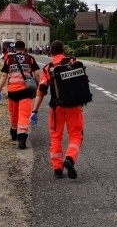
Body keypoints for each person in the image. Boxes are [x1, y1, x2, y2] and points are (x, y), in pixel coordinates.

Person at [30, 40, 84, 179]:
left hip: (57, 108)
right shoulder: (73, 61)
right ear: (63, 50)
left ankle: (57, 169)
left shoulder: (48, 68)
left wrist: (34, 110)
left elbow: (41, 90)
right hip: (74, 106)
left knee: (56, 137)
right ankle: (70, 158)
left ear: (51, 52)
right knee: (76, 135)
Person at [0, 40, 40, 149]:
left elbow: (4, 76)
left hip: (12, 92)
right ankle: (22, 139)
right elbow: (37, 74)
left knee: (13, 113)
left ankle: (14, 131)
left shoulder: (9, 59)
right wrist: (38, 87)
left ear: (15, 49)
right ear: (24, 48)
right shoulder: (30, 59)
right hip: (26, 91)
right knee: (24, 114)